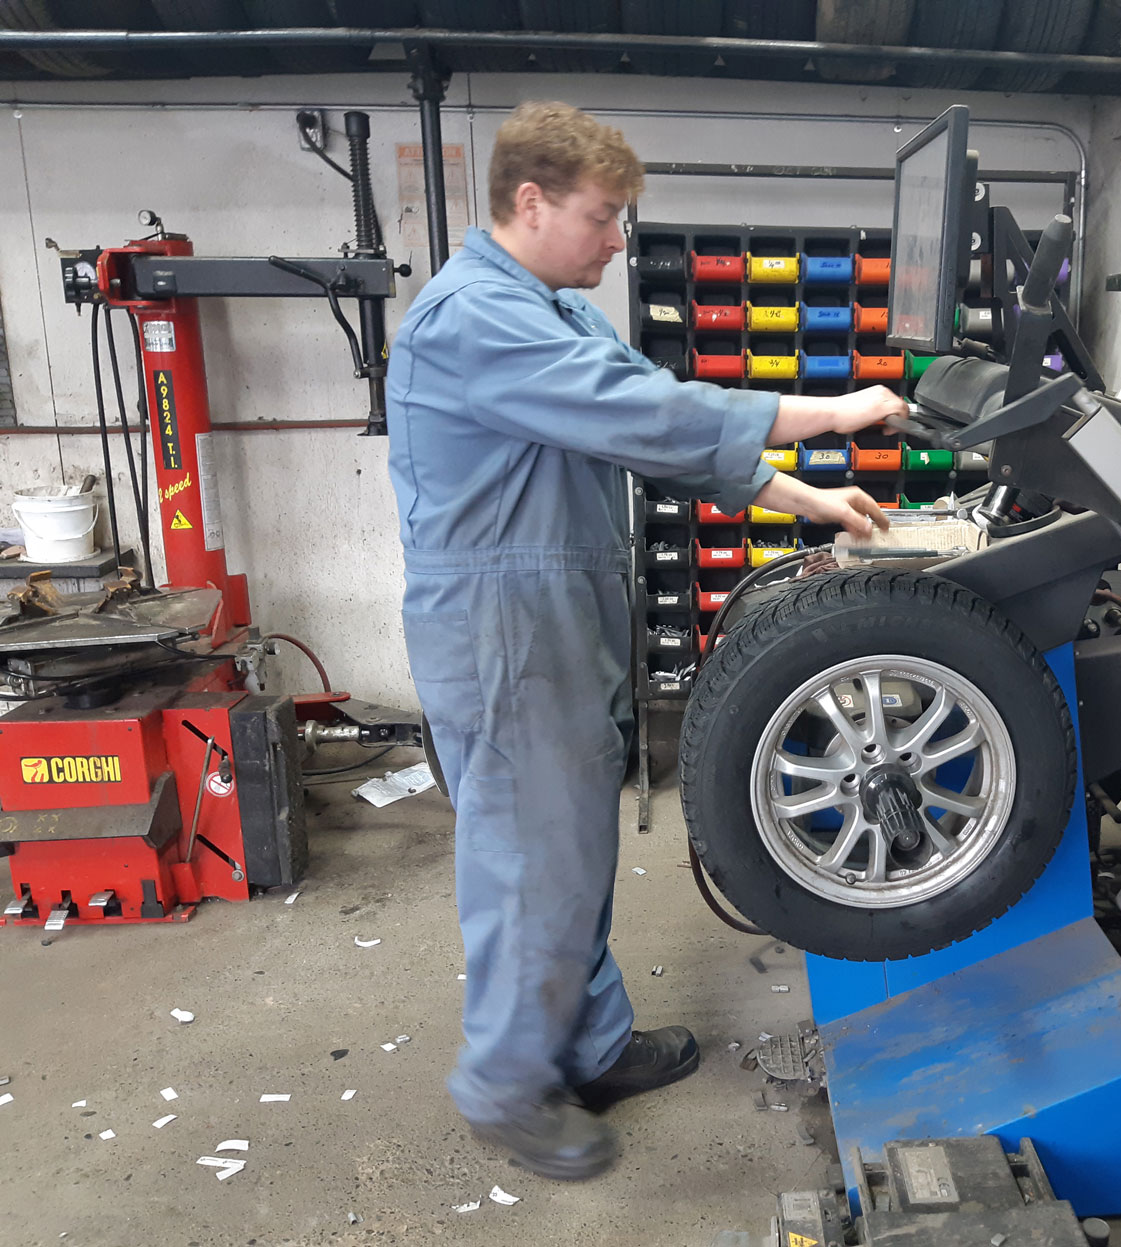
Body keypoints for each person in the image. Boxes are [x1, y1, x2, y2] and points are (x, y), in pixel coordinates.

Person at [385, 101, 902, 1182]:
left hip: (556, 613)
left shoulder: (551, 311)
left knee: (574, 847)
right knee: (532, 859)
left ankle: (590, 1041)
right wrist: (831, 411)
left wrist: (818, 504)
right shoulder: (474, 316)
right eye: (605, 215)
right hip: (504, 626)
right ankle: (506, 1081)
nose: (620, 238)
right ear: (530, 201)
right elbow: (654, 414)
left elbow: (661, 438)